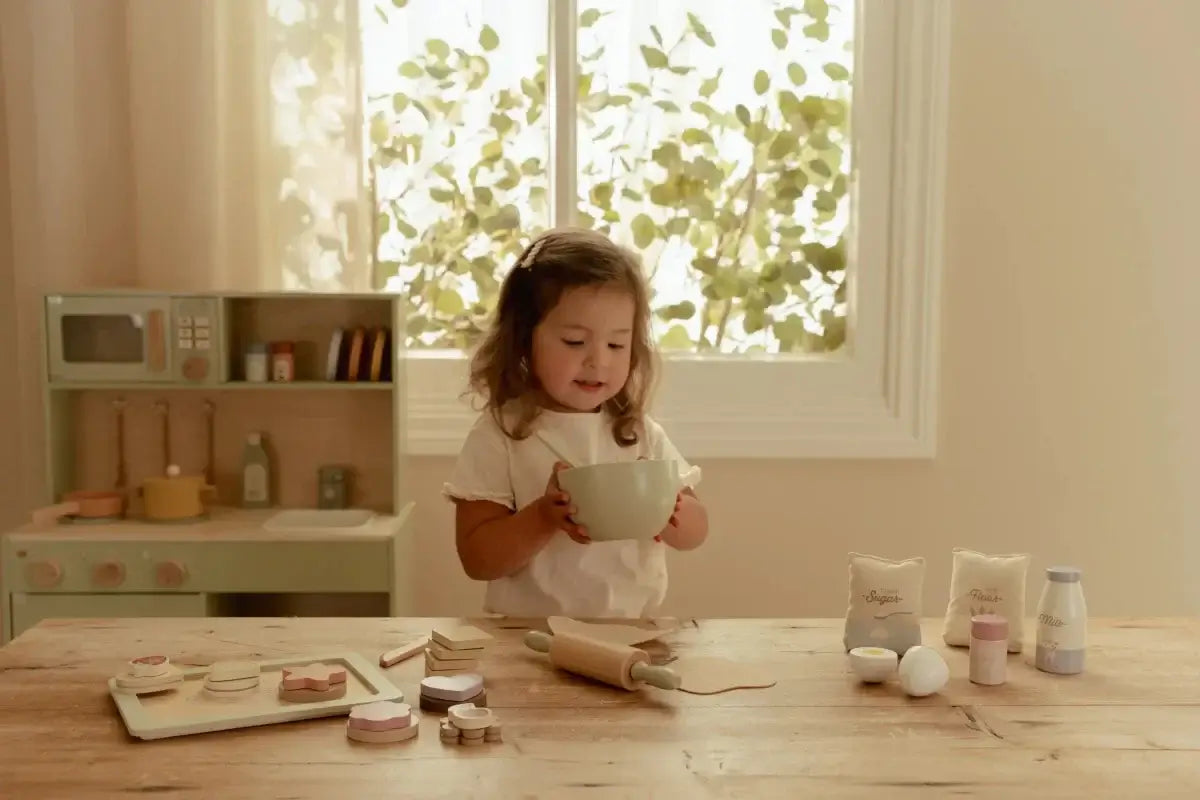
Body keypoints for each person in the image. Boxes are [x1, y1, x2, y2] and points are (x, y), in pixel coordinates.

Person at [443, 227, 709, 618]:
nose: (598, 360)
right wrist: (543, 517)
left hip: (632, 634)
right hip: (527, 639)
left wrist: (672, 510)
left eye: (616, 344)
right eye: (574, 341)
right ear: (523, 340)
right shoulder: (502, 433)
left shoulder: (637, 432)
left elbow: (696, 531)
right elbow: (477, 559)